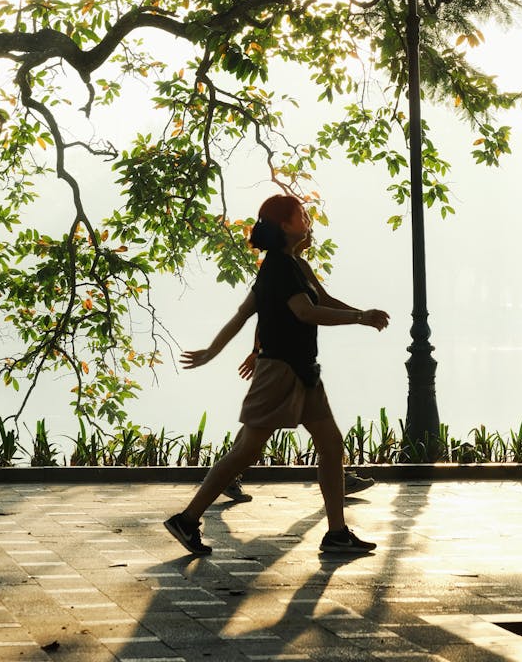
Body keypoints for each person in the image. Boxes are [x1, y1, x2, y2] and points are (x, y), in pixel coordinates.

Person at [164, 194, 389, 556]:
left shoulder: (295, 263)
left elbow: (322, 300)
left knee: (331, 445)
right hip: (279, 371)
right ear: (285, 225)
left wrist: (361, 314)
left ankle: (337, 533)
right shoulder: (278, 268)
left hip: (304, 372)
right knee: (245, 451)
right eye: (301, 214)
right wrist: (359, 318)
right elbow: (303, 312)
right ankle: (187, 519)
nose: (307, 217)